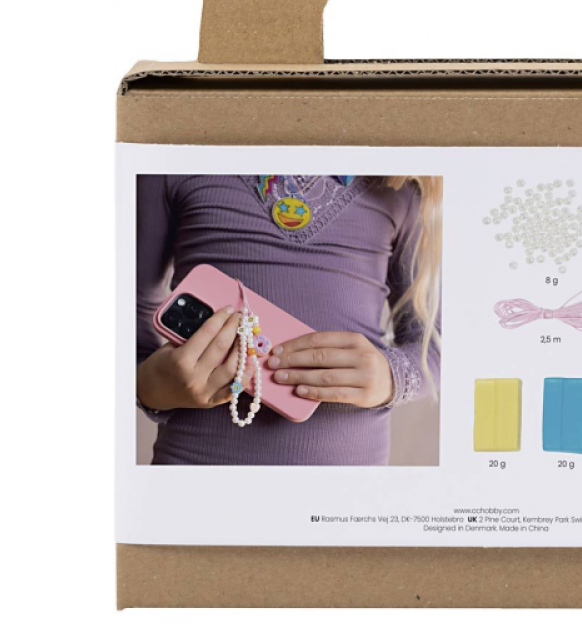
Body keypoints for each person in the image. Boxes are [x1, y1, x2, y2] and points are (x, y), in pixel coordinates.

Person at [136, 175, 441, 465]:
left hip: (349, 487)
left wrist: (390, 377)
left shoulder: (403, 186)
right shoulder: (172, 163)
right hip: (194, 475)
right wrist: (148, 386)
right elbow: (126, 312)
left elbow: (439, 345)